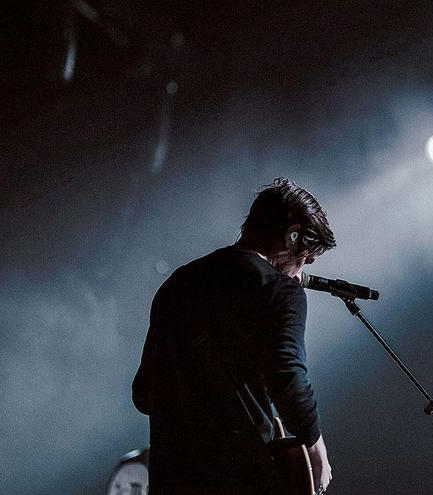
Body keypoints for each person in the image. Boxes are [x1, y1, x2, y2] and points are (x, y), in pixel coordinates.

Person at [132, 177, 336, 494]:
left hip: (170, 479)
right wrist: (316, 448)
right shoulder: (278, 291)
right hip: (240, 478)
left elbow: (144, 394)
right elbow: (287, 375)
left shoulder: (179, 282)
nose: (303, 269)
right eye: (308, 256)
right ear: (291, 235)